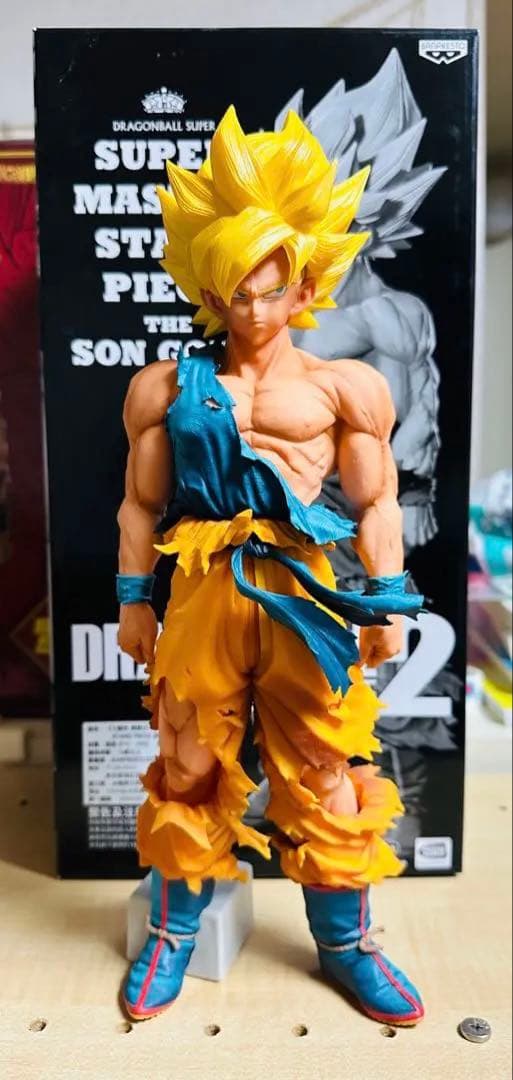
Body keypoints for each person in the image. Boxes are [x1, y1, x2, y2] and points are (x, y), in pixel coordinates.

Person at [117, 106, 425, 1025]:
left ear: (304, 287)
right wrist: (134, 601)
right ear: (210, 294)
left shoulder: (344, 387)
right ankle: (173, 932)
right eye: (235, 293)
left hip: (305, 590)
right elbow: (139, 505)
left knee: (325, 764)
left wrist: (384, 601)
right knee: (185, 761)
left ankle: (345, 945)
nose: (253, 310)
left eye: (270, 289)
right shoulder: (167, 388)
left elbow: (376, 502)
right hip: (205, 584)